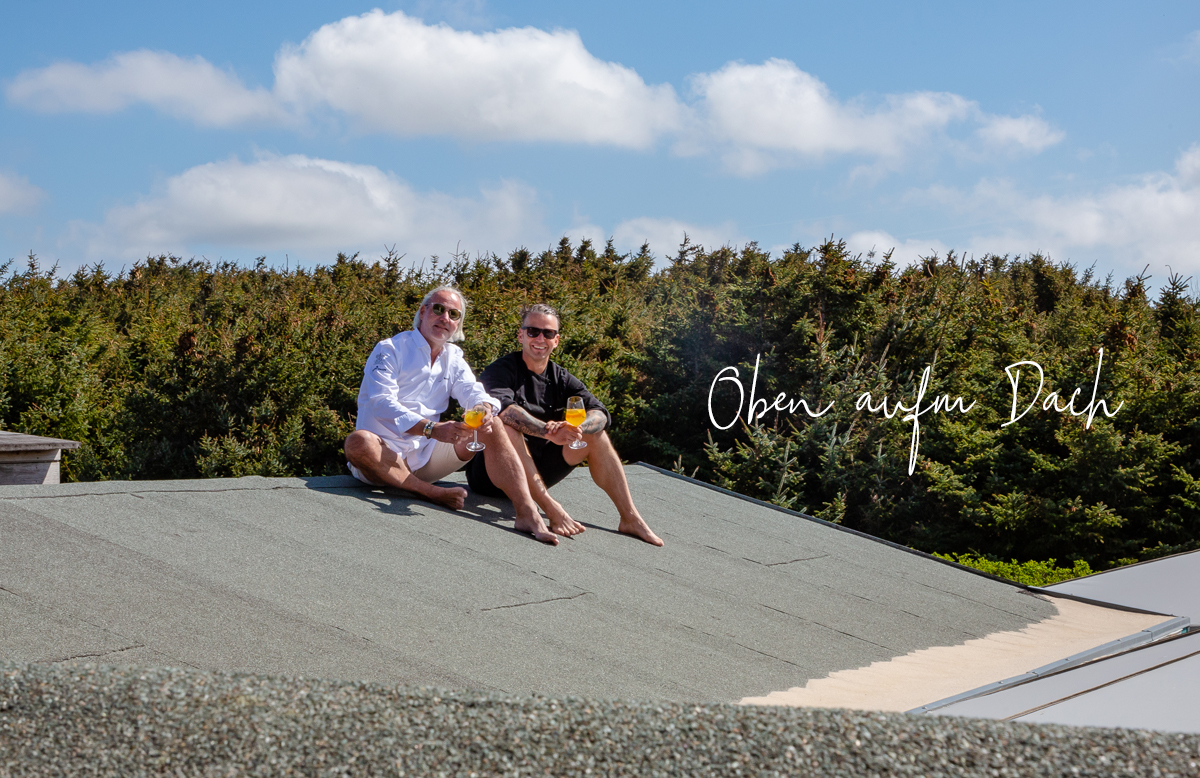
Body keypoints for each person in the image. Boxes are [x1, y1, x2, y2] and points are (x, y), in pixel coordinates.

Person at [343, 285, 560, 544]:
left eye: (454, 314)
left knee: (493, 426)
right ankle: (430, 493)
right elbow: (381, 403)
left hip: (427, 458)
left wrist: (485, 409)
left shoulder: (454, 357)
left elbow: (473, 391)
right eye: (438, 309)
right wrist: (431, 429)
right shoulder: (389, 349)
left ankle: (527, 513)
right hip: (381, 461)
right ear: (423, 312)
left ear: (458, 324)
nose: (445, 318)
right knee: (358, 442)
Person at [466, 303, 664, 546]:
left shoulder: (560, 377)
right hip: (491, 477)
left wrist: (578, 429)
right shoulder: (502, 370)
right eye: (533, 331)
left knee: (596, 434)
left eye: (548, 333)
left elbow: (600, 413)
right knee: (506, 426)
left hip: (540, 473)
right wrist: (547, 432)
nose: (540, 338)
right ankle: (550, 508)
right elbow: (504, 410)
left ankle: (630, 518)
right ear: (520, 335)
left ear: (556, 340)